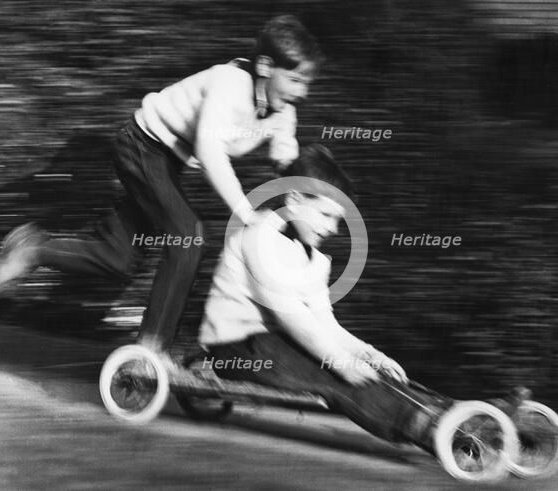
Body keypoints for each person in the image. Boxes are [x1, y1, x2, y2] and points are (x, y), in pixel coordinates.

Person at [0, 15, 322, 354]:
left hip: (166, 163)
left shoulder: (282, 111)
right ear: (265, 66)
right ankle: (152, 348)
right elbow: (210, 151)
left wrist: (303, 190)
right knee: (189, 235)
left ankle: (32, 249)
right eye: (294, 80)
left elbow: (285, 154)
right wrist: (247, 213)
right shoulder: (229, 84)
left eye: (306, 83)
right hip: (140, 145)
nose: (302, 92)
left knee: (117, 259)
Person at [196, 144, 531, 450]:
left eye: (339, 220)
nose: (333, 229)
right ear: (295, 199)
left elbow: (324, 325)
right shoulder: (260, 237)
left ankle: (464, 414)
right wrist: (342, 362)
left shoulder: (312, 259)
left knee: (370, 371)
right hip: (238, 347)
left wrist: (370, 354)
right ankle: (436, 429)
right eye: (326, 215)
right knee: (337, 374)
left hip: (281, 341)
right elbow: (291, 319)